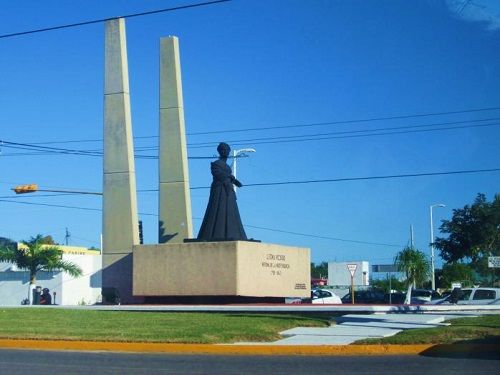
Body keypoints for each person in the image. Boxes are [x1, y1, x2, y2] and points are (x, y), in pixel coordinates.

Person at [197, 142, 248, 241]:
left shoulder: (227, 167)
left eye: (227, 150)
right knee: (217, 211)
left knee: (231, 212)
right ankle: (214, 233)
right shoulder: (216, 164)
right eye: (223, 150)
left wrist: (234, 181)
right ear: (219, 151)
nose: (225, 152)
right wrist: (230, 178)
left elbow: (226, 176)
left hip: (228, 191)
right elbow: (218, 174)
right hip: (220, 190)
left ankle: (232, 232)